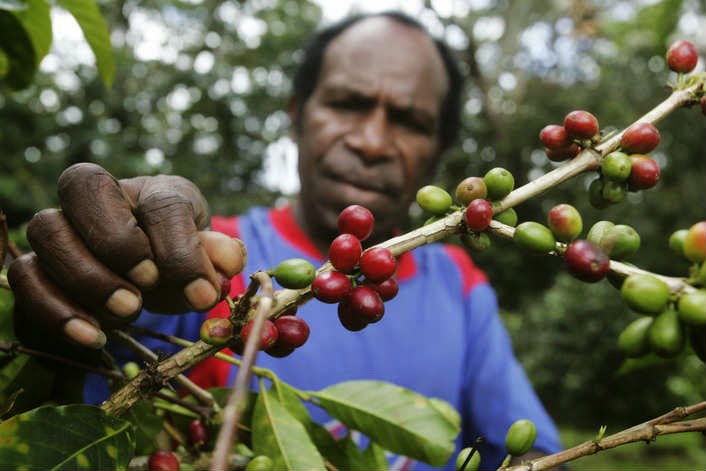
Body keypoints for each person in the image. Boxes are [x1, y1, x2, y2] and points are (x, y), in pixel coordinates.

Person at [8, 11, 562, 470]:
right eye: (347, 103)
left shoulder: (460, 285)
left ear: (439, 146)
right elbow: (82, 390)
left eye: (410, 121)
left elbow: (531, 450)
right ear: (297, 113)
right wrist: (76, 317)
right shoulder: (207, 259)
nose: (372, 141)